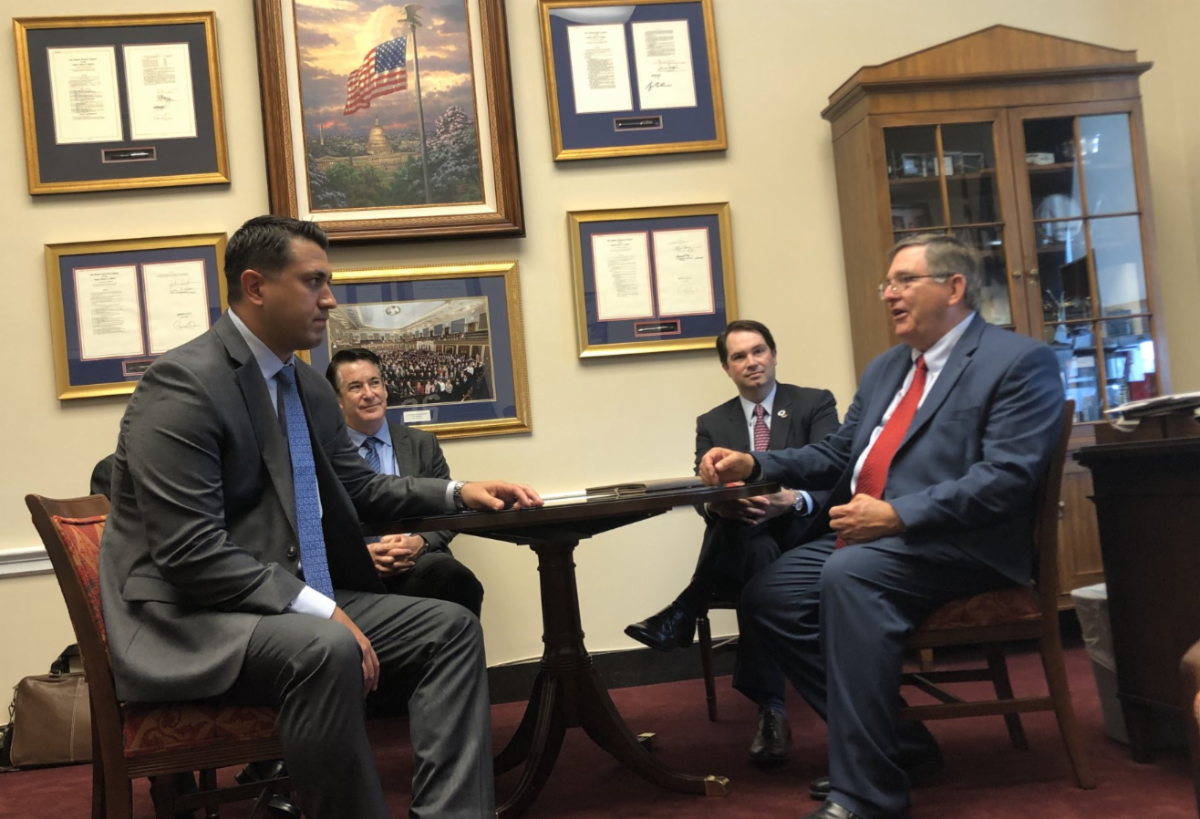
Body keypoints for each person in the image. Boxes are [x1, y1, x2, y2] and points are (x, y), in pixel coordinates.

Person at [98, 215, 541, 819]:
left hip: (279, 604)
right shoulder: (182, 384)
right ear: (256, 286)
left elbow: (358, 488)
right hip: (192, 618)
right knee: (327, 644)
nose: (330, 299)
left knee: (451, 628)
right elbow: (188, 549)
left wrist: (457, 492)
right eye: (314, 282)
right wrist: (321, 607)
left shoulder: (303, 385)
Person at [699, 234, 1065, 819]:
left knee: (849, 574)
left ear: (953, 287)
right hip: (875, 537)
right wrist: (757, 463)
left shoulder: (1018, 361)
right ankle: (899, 745)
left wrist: (899, 514)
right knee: (768, 596)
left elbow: (1007, 478)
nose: (888, 294)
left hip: (958, 542)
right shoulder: (887, 367)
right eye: (886, 284)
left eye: (903, 281)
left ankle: (866, 793)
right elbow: (838, 452)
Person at [625, 319, 839, 766]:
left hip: (805, 536)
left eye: (758, 351)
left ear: (774, 354)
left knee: (756, 540)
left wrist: (791, 500)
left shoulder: (814, 404)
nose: (752, 362)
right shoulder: (712, 422)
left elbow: (832, 474)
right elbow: (705, 494)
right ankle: (772, 709)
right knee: (754, 543)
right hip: (750, 544)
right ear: (726, 368)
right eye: (739, 356)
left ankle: (688, 605)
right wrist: (719, 508)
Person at [325, 347, 484, 617]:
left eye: (375, 383)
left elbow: (448, 512)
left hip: (418, 563)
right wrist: (360, 555)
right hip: (355, 571)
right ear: (337, 399)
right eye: (355, 387)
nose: (369, 394)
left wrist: (420, 542)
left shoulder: (422, 444)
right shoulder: (324, 453)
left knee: (457, 579)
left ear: (386, 389)